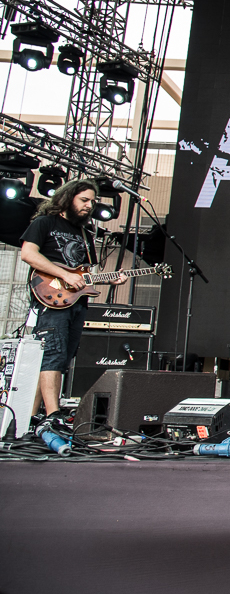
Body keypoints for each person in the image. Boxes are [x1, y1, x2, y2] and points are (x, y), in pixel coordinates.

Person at [19, 179, 127, 420]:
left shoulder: (85, 233)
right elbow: (28, 254)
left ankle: (29, 419)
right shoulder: (45, 222)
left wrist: (110, 280)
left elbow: (82, 276)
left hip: (76, 302)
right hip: (50, 299)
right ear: (67, 198)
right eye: (84, 200)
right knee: (53, 356)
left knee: (61, 360)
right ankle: (53, 416)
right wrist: (64, 274)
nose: (89, 206)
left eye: (93, 202)